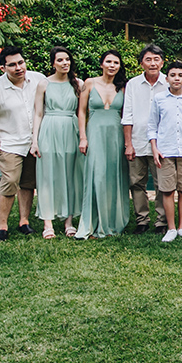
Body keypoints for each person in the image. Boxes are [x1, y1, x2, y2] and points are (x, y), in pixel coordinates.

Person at [0, 46, 46, 241]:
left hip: (33, 142)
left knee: (28, 183)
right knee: (10, 182)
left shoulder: (37, 79)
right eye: (12, 65)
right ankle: (2, 225)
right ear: (3, 68)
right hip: (9, 144)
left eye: (21, 62)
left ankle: (24, 221)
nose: (19, 68)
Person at [75, 50, 132, 239]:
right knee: (96, 175)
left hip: (116, 135)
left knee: (114, 176)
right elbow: (82, 112)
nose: (112, 65)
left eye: (116, 62)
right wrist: (83, 137)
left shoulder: (123, 87)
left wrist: (128, 142)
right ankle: (91, 222)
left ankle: (112, 222)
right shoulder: (89, 83)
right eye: (108, 61)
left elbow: (127, 115)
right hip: (95, 133)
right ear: (102, 64)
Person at [30, 47, 84, 239]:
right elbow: (38, 113)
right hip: (50, 129)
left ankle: (69, 221)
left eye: (67, 59)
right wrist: (34, 140)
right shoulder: (43, 84)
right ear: (53, 63)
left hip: (71, 129)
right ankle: (48, 223)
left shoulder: (78, 83)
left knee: (70, 175)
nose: (64, 63)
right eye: (60, 60)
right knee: (48, 176)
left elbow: (82, 112)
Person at [149, 61, 182, 242]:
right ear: (167, 78)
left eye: (180, 75)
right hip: (165, 150)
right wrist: (154, 149)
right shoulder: (159, 99)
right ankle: (171, 228)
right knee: (167, 190)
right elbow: (152, 125)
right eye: (173, 75)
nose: (176, 78)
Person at [121, 44, 169, 235]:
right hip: (138, 141)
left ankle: (161, 221)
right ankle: (142, 220)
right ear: (141, 63)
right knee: (137, 182)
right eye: (148, 59)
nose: (152, 63)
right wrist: (128, 144)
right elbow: (128, 115)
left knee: (161, 184)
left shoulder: (170, 82)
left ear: (162, 62)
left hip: (162, 144)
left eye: (156, 59)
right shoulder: (133, 84)